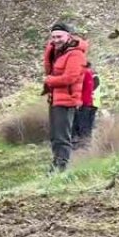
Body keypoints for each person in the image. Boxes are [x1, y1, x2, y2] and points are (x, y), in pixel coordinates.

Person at [42, 22, 88, 172]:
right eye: (53, 37)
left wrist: (49, 81)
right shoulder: (58, 52)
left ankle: (61, 167)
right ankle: (57, 164)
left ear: (68, 36)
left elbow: (70, 78)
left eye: (59, 36)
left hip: (67, 99)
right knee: (56, 136)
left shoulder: (76, 54)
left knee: (62, 137)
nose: (56, 40)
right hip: (55, 98)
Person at [73, 64, 100, 149]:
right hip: (93, 103)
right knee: (88, 125)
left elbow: (87, 91)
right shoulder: (95, 76)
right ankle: (86, 143)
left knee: (83, 125)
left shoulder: (91, 76)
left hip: (87, 104)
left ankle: (83, 145)